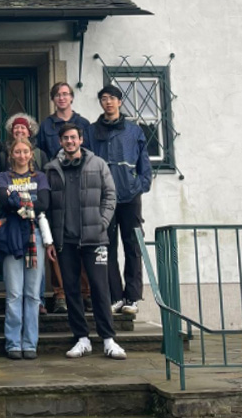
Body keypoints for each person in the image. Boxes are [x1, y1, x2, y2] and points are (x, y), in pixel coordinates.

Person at [45, 122, 126, 360]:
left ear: (81, 139)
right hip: (65, 241)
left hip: (95, 239)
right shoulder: (51, 169)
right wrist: (51, 238)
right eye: (65, 138)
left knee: (100, 289)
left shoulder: (98, 164)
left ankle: (108, 339)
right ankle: (82, 338)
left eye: (73, 137)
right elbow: (47, 207)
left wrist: (101, 222)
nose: (69, 142)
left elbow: (111, 195)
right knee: (71, 291)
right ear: (60, 142)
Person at [90, 85, 152, 316]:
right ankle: (115, 296)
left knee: (132, 245)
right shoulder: (91, 130)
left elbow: (144, 162)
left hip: (129, 196)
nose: (108, 102)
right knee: (107, 247)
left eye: (112, 98)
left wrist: (141, 186)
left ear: (120, 101)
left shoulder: (133, 130)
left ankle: (132, 297)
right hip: (103, 197)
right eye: (104, 98)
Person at [0, 136, 51, 359]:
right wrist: (28, 203)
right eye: (17, 152)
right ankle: (12, 343)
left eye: (25, 152)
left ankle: (29, 343)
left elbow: (44, 204)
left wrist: (16, 199)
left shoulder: (40, 177)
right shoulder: (3, 176)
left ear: (31, 154)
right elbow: (2, 199)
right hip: (11, 235)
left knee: (32, 294)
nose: (21, 155)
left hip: (34, 234)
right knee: (14, 293)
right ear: (11, 155)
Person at [35, 83, 92, 161]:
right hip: (54, 171)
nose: (61, 98)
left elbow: (89, 151)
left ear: (71, 97)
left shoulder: (83, 123)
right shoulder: (45, 125)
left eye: (65, 94)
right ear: (53, 99)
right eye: (57, 95)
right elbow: (41, 155)